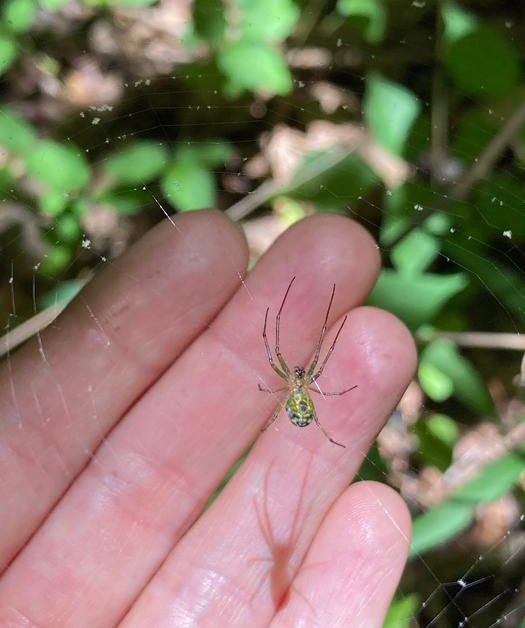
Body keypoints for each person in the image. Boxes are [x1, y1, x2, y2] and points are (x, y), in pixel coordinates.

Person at [0, 210, 416, 626]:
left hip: (301, 410)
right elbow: (276, 354)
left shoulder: (296, 386)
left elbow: (312, 367)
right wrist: (279, 332)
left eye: (303, 377)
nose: (301, 375)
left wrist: (308, 395)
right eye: (300, 378)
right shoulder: (294, 384)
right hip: (298, 408)